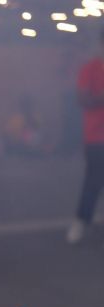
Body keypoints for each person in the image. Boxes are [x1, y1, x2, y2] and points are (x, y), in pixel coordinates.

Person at [67, 29, 104, 244]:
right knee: (94, 181)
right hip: (96, 136)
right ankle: (81, 220)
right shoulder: (89, 69)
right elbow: (83, 99)